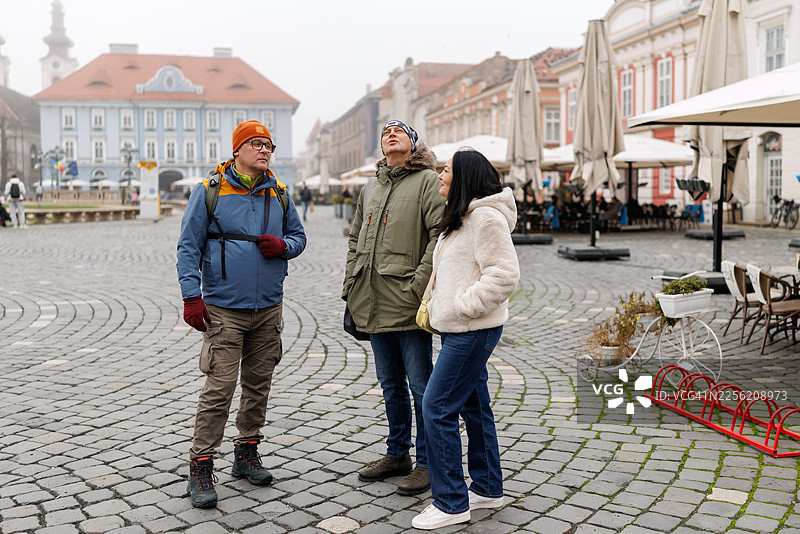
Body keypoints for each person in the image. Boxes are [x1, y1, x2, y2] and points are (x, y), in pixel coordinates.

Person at [176, 120, 307, 509]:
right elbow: (188, 246)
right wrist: (191, 296)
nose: (264, 150)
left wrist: (283, 245)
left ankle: (246, 453)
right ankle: (201, 464)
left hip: (268, 306)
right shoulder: (210, 192)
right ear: (237, 151)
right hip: (223, 308)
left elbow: (300, 238)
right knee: (219, 389)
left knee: (258, 384)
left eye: (268, 145)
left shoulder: (280, 193)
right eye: (255, 144)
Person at [412, 149, 519, 530]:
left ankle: (451, 502)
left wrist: (463, 306)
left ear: (465, 178)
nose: (440, 173)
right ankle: (489, 488)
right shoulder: (463, 217)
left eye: (447, 170)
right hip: (461, 329)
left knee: (436, 407)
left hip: (471, 329)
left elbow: (504, 275)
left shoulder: (486, 219)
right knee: (474, 408)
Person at [343, 120, 445, 496]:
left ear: (413, 143)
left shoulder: (427, 181)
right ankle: (396, 453)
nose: (390, 134)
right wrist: (350, 283)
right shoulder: (371, 186)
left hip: (407, 301)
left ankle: (427, 462)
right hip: (371, 299)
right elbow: (355, 238)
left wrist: (419, 283)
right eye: (385, 131)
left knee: (421, 386)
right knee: (390, 385)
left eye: (399, 130)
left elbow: (440, 233)